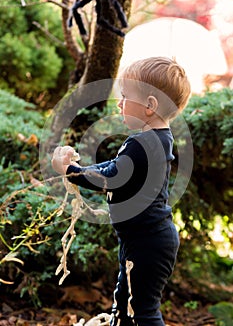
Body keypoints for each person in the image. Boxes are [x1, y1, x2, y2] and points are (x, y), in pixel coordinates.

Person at [51, 56, 191, 326]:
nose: (120, 102)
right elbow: (115, 167)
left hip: (147, 242)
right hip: (143, 239)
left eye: (126, 96)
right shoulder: (155, 139)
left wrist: (70, 172)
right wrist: (79, 166)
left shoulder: (145, 143)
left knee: (141, 311)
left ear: (150, 105)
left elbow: (112, 177)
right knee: (125, 307)